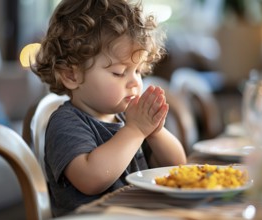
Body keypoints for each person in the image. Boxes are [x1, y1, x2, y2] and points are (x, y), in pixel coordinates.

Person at [31, 0, 187, 217]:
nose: (135, 83)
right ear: (71, 75)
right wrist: (136, 131)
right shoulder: (66, 123)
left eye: (138, 71)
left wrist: (155, 132)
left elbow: (178, 167)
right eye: (119, 72)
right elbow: (90, 179)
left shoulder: (126, 117)